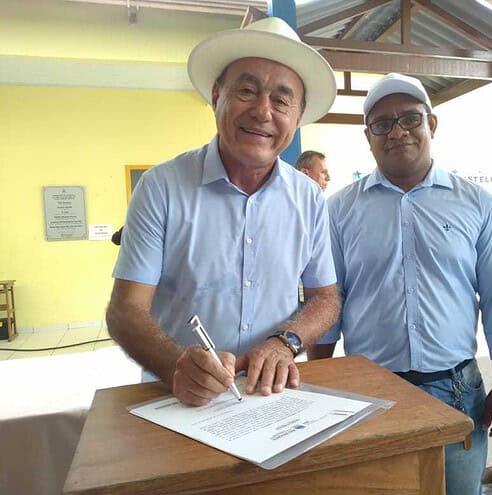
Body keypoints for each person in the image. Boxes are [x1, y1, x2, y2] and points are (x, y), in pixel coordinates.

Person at [308, 73, 492, 494]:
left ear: (432, 124)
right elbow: (328, 303)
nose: (397, 132)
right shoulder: (338, 211)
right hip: (370, 394)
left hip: (455, 390)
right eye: (382, 124)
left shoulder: (477, 205)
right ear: (368, 137)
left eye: (410, 118)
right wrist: (319, 385)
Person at [106, 17, 340, 407]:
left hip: (273, 396)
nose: (263, 112)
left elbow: (326, 298)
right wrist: (175, 365)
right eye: (247, 90)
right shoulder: (161, 187)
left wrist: (285, 342)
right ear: (217, 96)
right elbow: (125, 309)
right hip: (177, 398)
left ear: (297, 118)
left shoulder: (308, 198)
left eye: (281, 100)